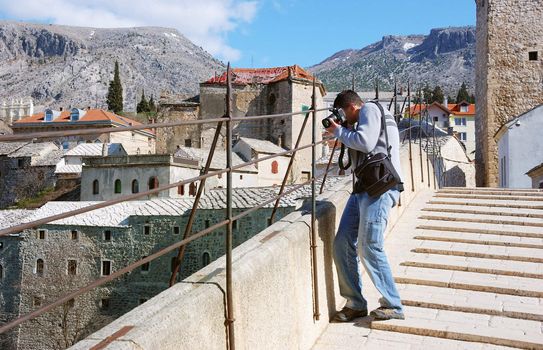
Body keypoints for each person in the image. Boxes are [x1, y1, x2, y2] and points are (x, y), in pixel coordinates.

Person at [324, 90, 405, 322]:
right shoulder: (364, 118)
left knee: (370, 246)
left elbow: (366, 142)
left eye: (342, 114)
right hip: (364, 188)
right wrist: (344, 132)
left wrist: (339, 131)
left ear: (350, 107)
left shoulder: (369, 109)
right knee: (342, 242)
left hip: (380, 188)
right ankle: (355, 303)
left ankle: (393, 304)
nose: (342, 118)